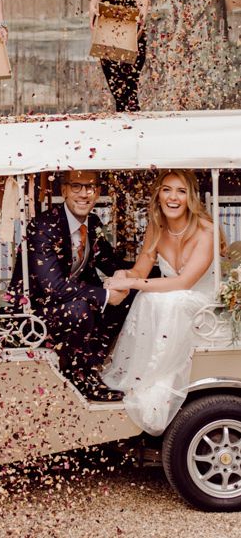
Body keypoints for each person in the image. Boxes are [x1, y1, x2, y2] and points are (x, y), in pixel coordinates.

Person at [102, 169, 219, 434]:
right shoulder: (157, 227)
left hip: (202, 302)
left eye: (181, 191)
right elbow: (140, 271)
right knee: (151, 298)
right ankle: (138, 379)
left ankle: (155, 383)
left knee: (162, 300)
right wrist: (124, 275)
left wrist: (132, 284)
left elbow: (184, 283)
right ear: (158, 194)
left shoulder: (206, 231)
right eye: (167, 189)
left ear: (191, 197)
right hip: (173, 298)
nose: (173, 197)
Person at [8, 170, 132, 402]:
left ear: (98, 192)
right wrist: (105, 294)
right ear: (63, 190)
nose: (84, 194)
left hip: (73, 307)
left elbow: (110, 262)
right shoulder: (43, 226)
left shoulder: (93, 223)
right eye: (76, 186)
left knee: (128, 295)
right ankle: (78, 377)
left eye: (91, 187)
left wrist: (152, 270)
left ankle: (92, 368)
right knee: (81, 308)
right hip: (33, 314)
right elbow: (52, 287)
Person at [90, 0, 151, 112]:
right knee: (113, 77)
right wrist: (92, 6)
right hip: (108, 25)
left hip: (133, 26)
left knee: (130, 79)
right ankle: (123, 118)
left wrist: (142, 13)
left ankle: (132, 119)